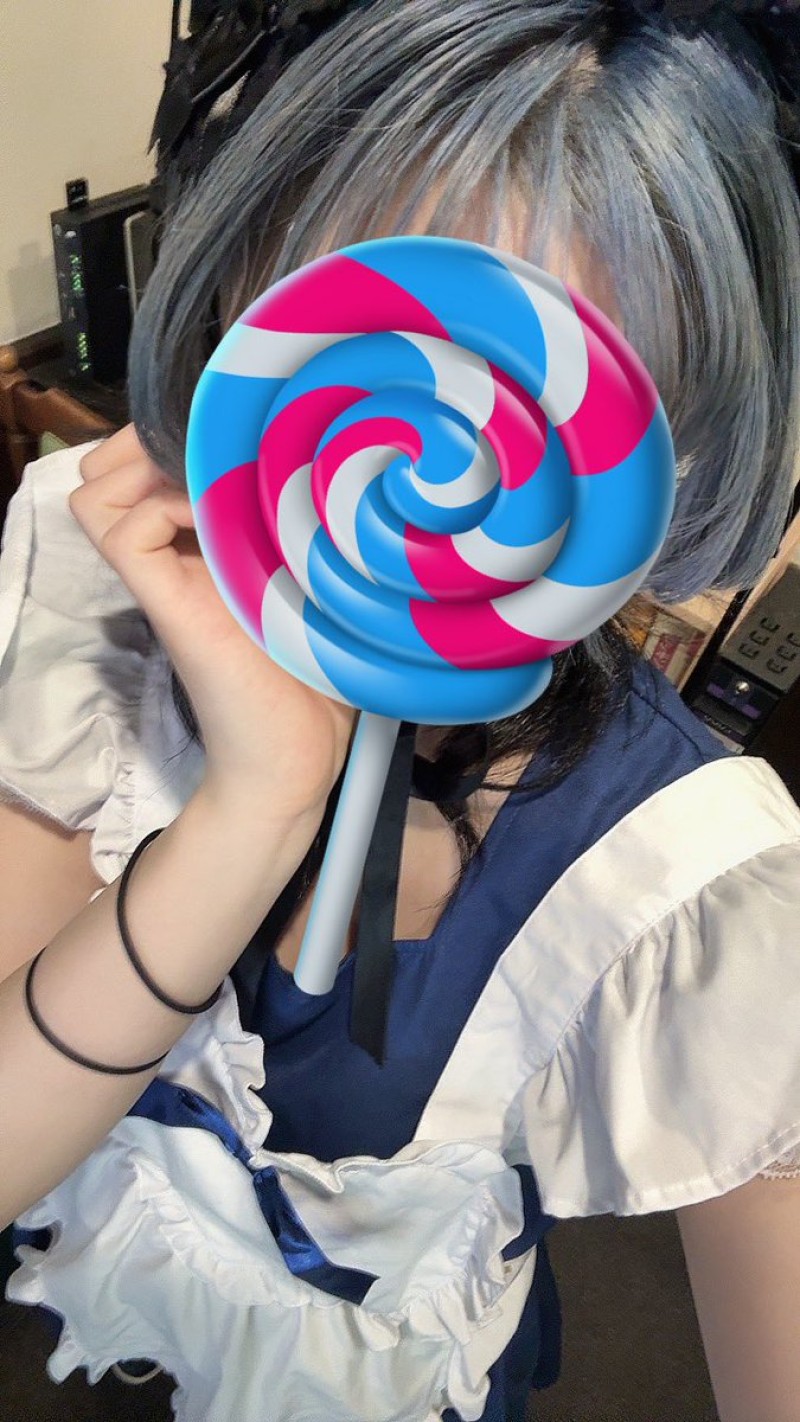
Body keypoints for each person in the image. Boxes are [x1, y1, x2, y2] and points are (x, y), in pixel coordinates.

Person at [2, 2, 800, 1419]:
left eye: (542, 390)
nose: (456, 438)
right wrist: (255, 808)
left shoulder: (687, 878)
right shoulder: (100, 564)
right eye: (375, 335)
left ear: (673, 442)